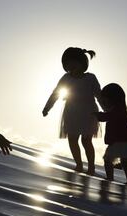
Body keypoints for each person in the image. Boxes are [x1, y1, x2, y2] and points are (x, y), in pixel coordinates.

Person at [42, 47, 101, 175]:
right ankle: (79, 165)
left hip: (88, 112)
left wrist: (107, 110)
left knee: (86, 140)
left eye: (74, 63)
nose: (71, 67)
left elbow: (99, 95)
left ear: (82, 63)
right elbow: (56, 93)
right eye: (68, 64)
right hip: (72, 113)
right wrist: (47, 107)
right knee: (72, 139)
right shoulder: (66, 78)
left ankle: (91, 168)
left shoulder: (90, 78)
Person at [94, 83, 127, 186]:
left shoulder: (117, 109)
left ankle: (110, 178)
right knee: (125, 162)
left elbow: (108, 117)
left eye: (105, 98)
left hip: (119, 140)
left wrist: (97, 115)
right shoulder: (120, 109)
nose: (104, 101)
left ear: (112, 98)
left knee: (108, 159)